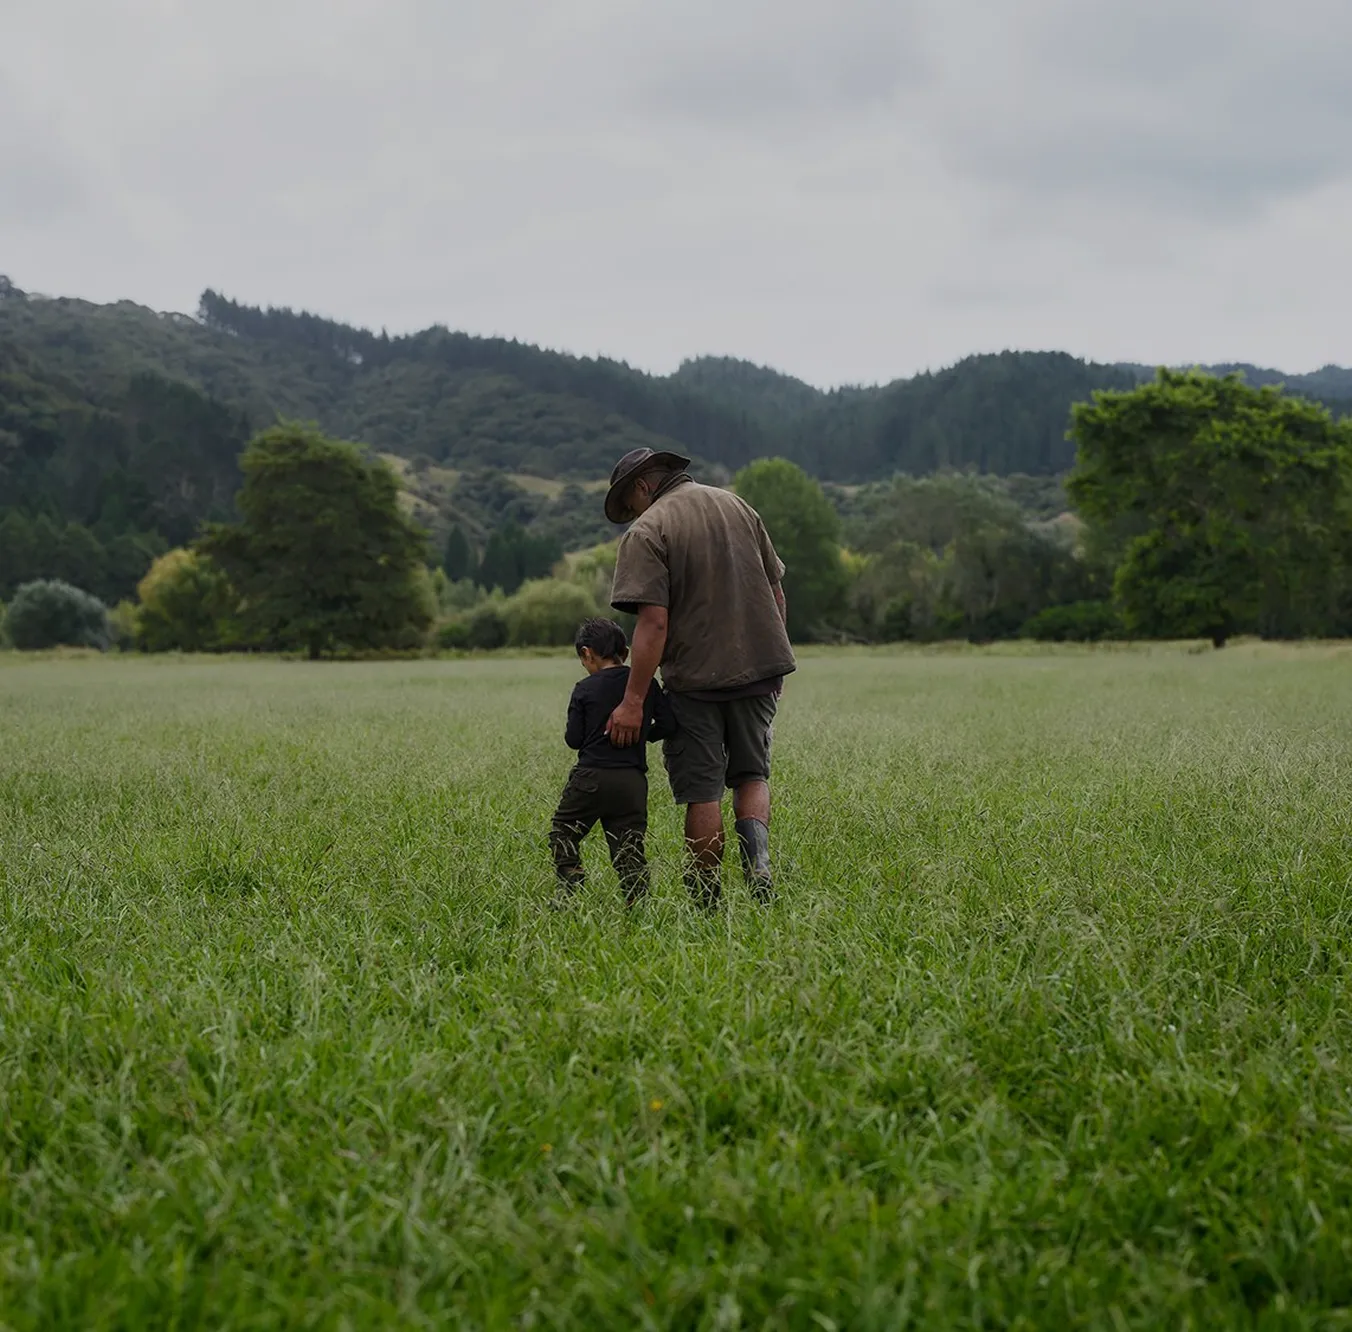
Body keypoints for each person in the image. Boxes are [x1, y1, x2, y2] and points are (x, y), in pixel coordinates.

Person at [603, 447, 796, 909]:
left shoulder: (649, 530)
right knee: (752, 774)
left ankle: (707, 903)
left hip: (695, 682)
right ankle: (759, 866)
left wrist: (633, 701)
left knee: (702, 791)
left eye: (631, 503)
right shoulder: (738, 506)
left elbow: (653, 624)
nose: (634, 513)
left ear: (645, 485)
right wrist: (775, 656)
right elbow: (775, 592)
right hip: (760, 671)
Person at [549, 617, 676, 907]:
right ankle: (638, 904)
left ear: (586, 653)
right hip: (631, 781)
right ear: (626, 653)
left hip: (591, 777)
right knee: (629, 846)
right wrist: (642, 735)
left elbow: (574, 739)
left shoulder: (584, 688)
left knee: (564, 829)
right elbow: (669, 725)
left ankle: (572, 876)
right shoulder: (645, 685)